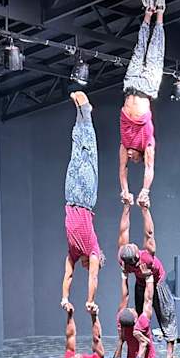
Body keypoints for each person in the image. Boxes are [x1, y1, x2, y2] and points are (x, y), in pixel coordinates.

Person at [119, 0, 165, 209]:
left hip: (130, 85)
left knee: (139, 47)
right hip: (147, 88)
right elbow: (149, 168)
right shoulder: (147, 145)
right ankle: (160, 13)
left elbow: (122, 170)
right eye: (133, 158)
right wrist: (145, 191)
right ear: (140, 156)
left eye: (130, 159)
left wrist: (125, 190)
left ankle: (148, 11)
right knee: (155, 50)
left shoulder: (124, 144)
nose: (130, 157)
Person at [117, 199, 178, 358]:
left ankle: (170, 355)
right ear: (137, 255)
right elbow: (149, 233)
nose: (132, 243)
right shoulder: (146, 258)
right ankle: (144, 351)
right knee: (143, 317)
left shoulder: (123, 259)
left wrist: (126, 207)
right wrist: (145, 209)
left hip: (156, 283)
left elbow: (123, 230)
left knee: (166, 315)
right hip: (148, 283)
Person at [61, 91, 103, 315]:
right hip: (86, 198)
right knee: (89, 155)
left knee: (76, 153)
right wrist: (90, 301)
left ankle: (80, 115)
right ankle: (86, 113)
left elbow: (68, 275)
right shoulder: (92, 249)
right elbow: (93, 277)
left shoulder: (74, 253)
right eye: (89, 265)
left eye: (85, 266)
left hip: (70, 196)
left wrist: (65, 298)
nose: (86, 267)